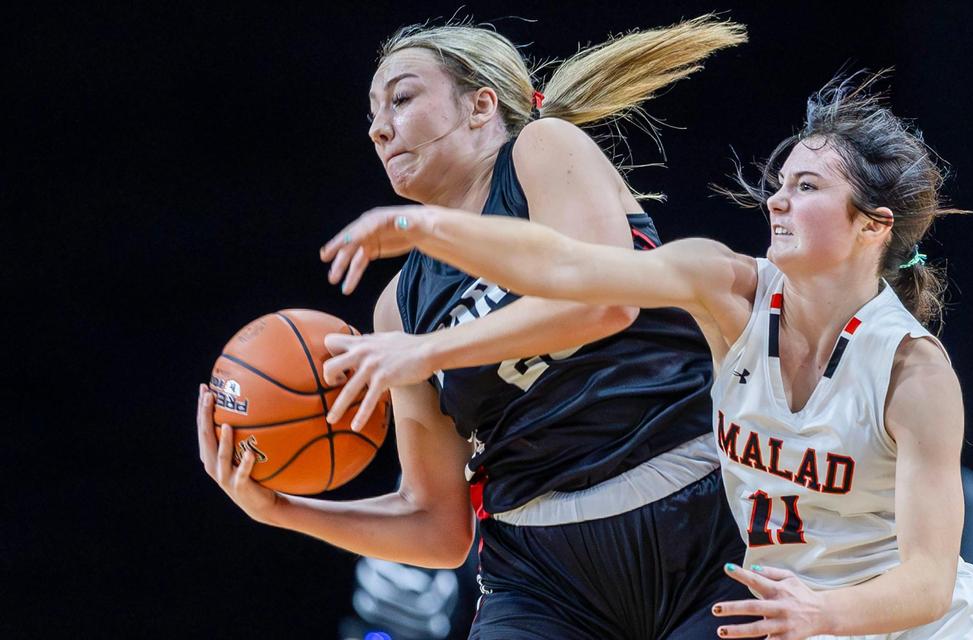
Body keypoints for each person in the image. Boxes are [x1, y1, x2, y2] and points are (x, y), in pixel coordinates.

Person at [321, 72, 973, 639]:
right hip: (800, 621)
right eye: (780, 182)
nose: (776, 200)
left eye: (806, 188)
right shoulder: (726, 288)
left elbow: (927, 582)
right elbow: (569, 269)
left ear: (873, 226)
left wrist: (822, 612)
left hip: (915, 625)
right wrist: (425, 226)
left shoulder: (912, 372)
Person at [199, 16, 757, 639]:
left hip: (698, 516)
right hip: (542, 574)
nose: (379, 128)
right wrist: (280, 509)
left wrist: (428, 352)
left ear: (480, 105)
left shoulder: (544, 150)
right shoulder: (399, 308)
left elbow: (605, 303)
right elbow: (436, 527)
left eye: (402, 99)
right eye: (372, 115)